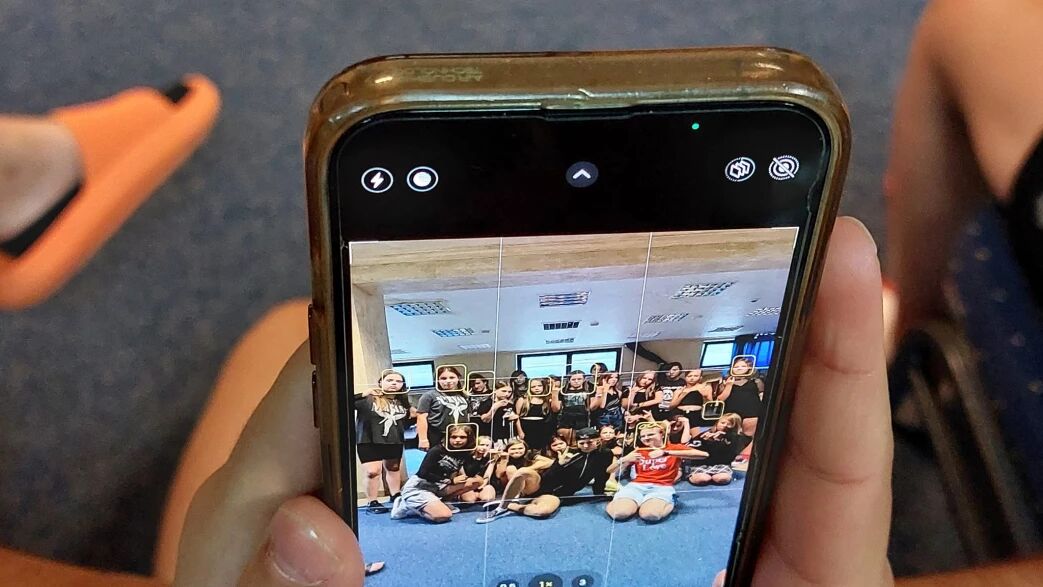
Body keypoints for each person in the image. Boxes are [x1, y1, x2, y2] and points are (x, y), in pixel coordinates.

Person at [4, 216, 885, 586]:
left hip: (531, 473)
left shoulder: (592, 434)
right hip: (468, 468)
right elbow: (474, 450)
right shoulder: (496, 428)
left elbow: (582, 455)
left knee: (277, 342)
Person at [478, 427, 614, 523]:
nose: (585, 446)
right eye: (581, 443)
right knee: (523, 471)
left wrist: (599, 493)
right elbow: (548, 477)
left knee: (541, 512)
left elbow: (602, 474)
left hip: (557, 494)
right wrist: (559, 464)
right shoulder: (570, 453)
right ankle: (501, 507)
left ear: (598, 441)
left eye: (589, 442)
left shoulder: (606, 454)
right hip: (540, 485)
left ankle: (513, 506)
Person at [605, 422, 707, 523]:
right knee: (619, 514)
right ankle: (629, 502)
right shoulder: (639, 451)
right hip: (636, 486)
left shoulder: (673, 448)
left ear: (662, 434)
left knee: (650, 515)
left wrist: (666, 453)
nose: (646, 438)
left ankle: (669, 501)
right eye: (643, 436)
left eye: (650, 434)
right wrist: (624, 459)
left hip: (662, 487)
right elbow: (609, 471)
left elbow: (704, 455)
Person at [390, 423, 481, 523]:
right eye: (454, 437)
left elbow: (470, 474)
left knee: (476, 481)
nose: (458, 440)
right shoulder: (437, 450)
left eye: (462, 437)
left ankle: (440, 502)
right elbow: (423, 473)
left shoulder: (464, 452)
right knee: (444, 515)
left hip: (438, 487)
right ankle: (406, 505)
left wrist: (477, 458)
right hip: (420, 487)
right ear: (448, 437)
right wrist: (450, 481)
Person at [354, 370, 413, 514]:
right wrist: (362, 394)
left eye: (398, 381)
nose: (394, 383)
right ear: (381, 382)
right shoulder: (368, 399)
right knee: (373, 472)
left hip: (394, 440)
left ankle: (395, 496)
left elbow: (406, 422)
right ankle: (372, 501)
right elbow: (340, 402)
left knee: (393, 468)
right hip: (368, 440)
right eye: (390, 380)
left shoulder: (403, 402)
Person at [416, 365, 469, 450]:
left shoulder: (464, 396)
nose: (448, 381)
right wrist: (423, 439)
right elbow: (421, 417)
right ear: (437, 380)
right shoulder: (429, 395)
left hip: (460, 435)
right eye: (443, 378)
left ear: (458, 378)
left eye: (452, 377)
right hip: (437, 435)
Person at [687, 413, 744, 486]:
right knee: (702, 479)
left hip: (722, 465)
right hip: (701, 464)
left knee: (722, 478)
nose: (725, 425)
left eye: (729, 424)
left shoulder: (736, 439)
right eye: (722, 423)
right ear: (717, 423)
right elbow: (693, 448)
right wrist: (705, 441)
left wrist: (726, 438)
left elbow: (732, 455)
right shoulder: (705, 434)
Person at [515, 376, 559, 452]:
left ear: (543, 386)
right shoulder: (523, 400)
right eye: (533, 387)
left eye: (539, 386)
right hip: (527, 431)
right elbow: (516, 417)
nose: (536, 388)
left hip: (543, 431)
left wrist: (554, 394)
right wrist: (520, 432)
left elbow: (556, 410)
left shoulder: (547, 400)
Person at [477, 381, 522, 447]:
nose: (507, 394)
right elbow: (485, 420)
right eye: (504, 391)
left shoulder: (510, 404)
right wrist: (495, 407)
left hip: (509, 436)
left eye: (509, 392)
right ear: (495, 390)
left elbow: (516, 418)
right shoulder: (487, 403)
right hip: (494, 436)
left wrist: (520, 432)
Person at [458, 436, 498, 504]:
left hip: (483, 485)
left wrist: (492, 462)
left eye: (487, 446)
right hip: (467, 485)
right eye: (481, 445)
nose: (484, 447)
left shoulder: (490, 459)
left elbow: (486, 478)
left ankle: (479, 496)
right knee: (469, 500)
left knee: (487, 498)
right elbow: (462, 476)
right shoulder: (465, 457)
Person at [557, 369, 594, 442]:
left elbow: (591, 406)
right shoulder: (563, 390)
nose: (576, 381)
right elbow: (558, 407)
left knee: (581, 438)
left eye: (579, 379)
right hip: (566, 417)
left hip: (582, 417)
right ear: (569, 380)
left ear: (584, 380)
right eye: (573, 379)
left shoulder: (589, 390)